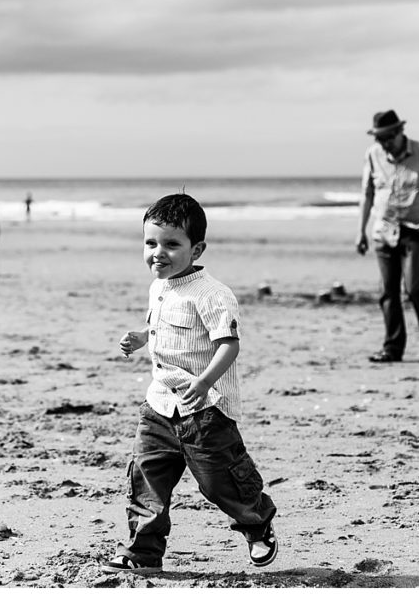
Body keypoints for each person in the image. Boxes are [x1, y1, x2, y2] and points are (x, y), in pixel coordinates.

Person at [102, 193, 278, 574]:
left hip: (205, 410)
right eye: (150, 243)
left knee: (220, 483)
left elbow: (228, 345)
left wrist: (204, 381)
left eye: (171, 244)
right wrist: (140, 337)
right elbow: (159, 325)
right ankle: (142, 552)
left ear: (196, 248)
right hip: (160, 405)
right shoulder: (159, 287)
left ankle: (257, 522)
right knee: (146, 477)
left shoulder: (212, 294)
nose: (158, 253)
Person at [356, 109, 419, 363]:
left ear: (400, 132)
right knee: (388, 292)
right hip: (384, 230)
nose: (384, 143)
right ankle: (393, 347)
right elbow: (367, 194)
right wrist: (361, 232)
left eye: (388, 136)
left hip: (416, 229)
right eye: (379, 138)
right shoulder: (373, 156)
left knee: (415, 287)